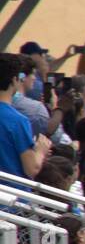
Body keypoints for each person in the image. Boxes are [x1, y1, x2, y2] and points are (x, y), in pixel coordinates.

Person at [0, 53, 50, 185]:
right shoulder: (18, 121)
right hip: (12, 198)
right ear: (14, 80)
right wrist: (40, 151)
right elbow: (32, 168)